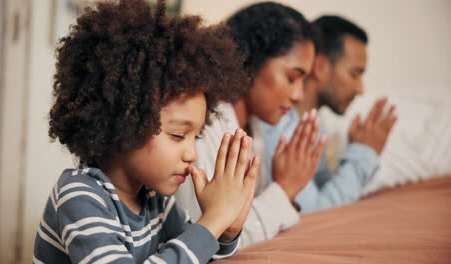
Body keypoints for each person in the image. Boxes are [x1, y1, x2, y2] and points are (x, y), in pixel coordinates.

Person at [33, 0, 261, 263]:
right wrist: (213, 219)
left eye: (195, 137)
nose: (192, 154)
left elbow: (196, 255)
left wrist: (226, 230)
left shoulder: (154, 201)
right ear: (124, 123)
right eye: (178, 135)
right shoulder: (79, 196)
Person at [175, 2, 326, 248]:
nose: (298, 95)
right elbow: (204, 240)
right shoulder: (204, 128)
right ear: (250, 61)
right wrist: (284, 188)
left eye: (303, 82)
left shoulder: (256, 130)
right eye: (291, 78)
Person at [258, 15, 397, 214]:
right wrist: (364, 153)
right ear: (320, 66)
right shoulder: (281, 125)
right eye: (354, 74)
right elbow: (316, 213)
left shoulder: (314, 123)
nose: (360, 89)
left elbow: (322, 191)